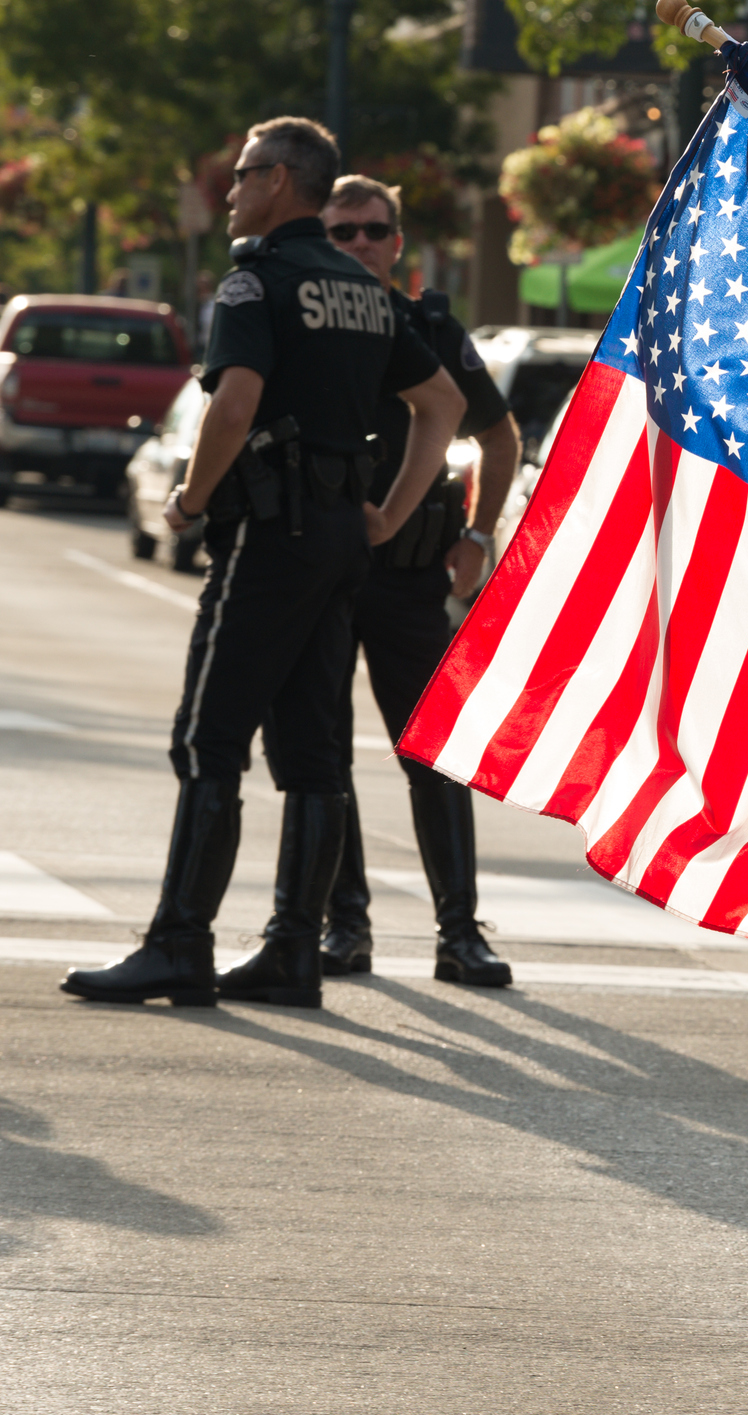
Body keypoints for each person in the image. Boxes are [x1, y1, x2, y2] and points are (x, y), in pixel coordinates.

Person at [60, 116, 464, 1010]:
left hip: (269, 533)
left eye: (242, 174)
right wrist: (389, 512)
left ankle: (179, 943)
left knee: (207, 739)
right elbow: (443, 402)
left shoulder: (256, 282)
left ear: (281, 180)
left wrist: (192, 501)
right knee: (313, 754)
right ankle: (293, 952)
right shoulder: (367, 292)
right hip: (338, 542)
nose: (231, 189)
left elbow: (234, 405)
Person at [312, 174, 520, 987]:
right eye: (342, 232)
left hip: (405, 580)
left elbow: (497, 439)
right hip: (323, 574)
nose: (360, 244)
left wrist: (476, 533)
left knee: (432, 754)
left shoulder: (429, 325)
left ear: (399, 242)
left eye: (373, 230)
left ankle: (459, 933)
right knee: (323, 754)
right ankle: (344, 926)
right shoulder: (306, 326)